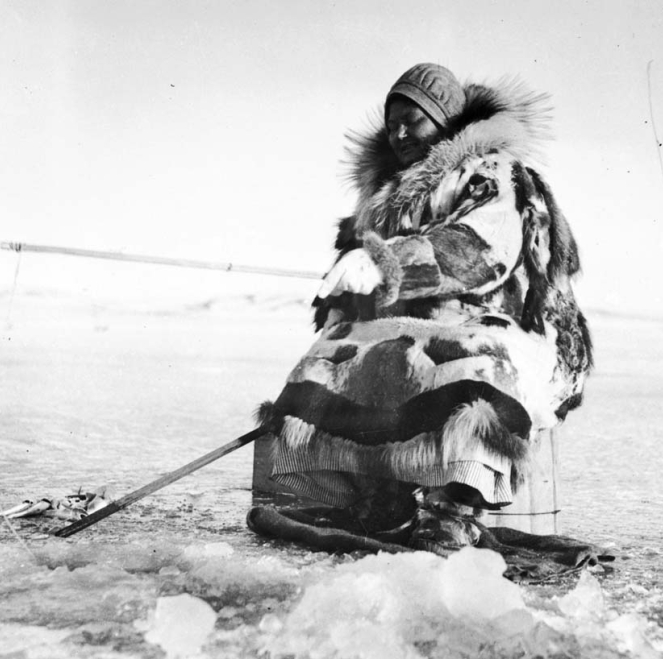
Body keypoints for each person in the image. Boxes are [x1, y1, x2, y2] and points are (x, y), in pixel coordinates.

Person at [252, 63, 593, 554]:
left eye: (413, 119)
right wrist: (343, 295)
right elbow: (360, 272)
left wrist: (386, 263)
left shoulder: (494, 173)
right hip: (420, 325)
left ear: (446, 119)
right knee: (336, 353)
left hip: (512, 323)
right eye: (392, 123)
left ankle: (451, 509)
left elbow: (479, 251)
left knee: (470, 360)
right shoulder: (384, 195)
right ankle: (381, 495)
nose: (400, 132)